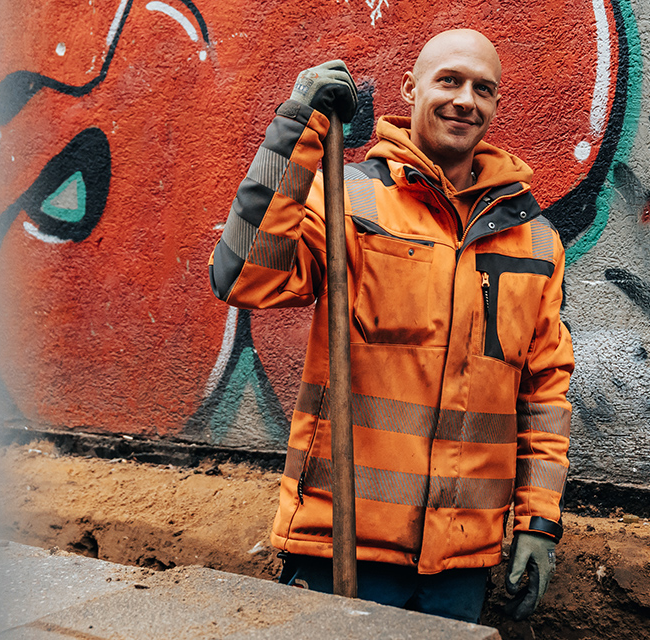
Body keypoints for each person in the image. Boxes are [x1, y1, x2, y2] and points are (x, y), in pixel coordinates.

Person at [206, 29, 573, 623]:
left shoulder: (534, 240)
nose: (465, 100)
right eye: (449, 80)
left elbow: (544, 391)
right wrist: (297, 127)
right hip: (343, 548)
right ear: (410, 89)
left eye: (484, 89)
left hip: (462, 563)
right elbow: (246, 276)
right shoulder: (347, 200)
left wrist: (539, 522)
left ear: (497, 106)